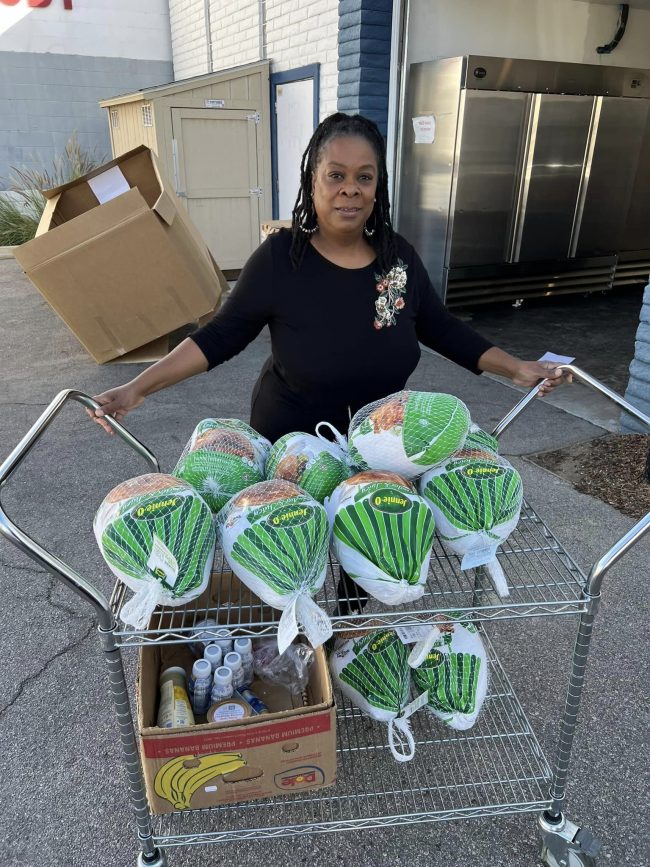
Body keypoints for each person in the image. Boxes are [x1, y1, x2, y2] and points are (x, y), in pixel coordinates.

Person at [91, 112, 570, 440]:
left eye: (364, 177)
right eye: (336, 175)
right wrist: (137, 388)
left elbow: (441, 327)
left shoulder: (397, 257)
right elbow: (219, 337)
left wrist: (516, 368)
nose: (350, 190)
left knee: (369, 550)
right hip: (292, 446)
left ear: (377, 187)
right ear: (312, 181)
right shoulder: (282, 258)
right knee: (297, 550)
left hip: (378, 441)